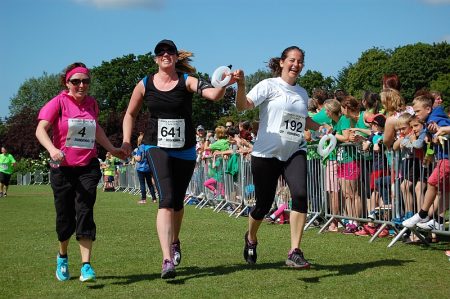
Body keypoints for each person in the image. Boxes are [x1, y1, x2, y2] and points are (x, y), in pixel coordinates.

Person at [121, 39, 238, 279]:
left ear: (176, 57)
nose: (165, 55)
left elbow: (214, 95)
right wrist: (126, 141)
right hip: (156, 146)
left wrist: (226, 81)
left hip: (184, 149)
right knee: (166, 199)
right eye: (160, 52)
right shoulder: (144, 84)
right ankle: (166, 260)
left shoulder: (187, 81)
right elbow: (130, 114)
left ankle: (175, 241)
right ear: (156, 59)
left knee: (177, 202)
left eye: (170, 52)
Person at [35, 62, 125, 282]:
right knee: (65, 216)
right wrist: (53, 149)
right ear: (67, 83)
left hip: (87, 166)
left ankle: (86, 265)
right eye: (76, 81)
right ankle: (62, 257)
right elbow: (40, 130)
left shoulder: (92, 104)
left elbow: (96, 130)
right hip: (62, 169)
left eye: (85, 81)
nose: (81, 85)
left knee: (85, 211)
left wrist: (112, 148)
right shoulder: (58, 103)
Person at [235, 45, 321, 269]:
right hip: (266, 154)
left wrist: (323, 127)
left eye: (300, 61)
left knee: (300, 195)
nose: (296, 65)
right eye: (292, 60)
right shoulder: (269, 85)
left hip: (294, 151)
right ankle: (251, 237)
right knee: (263, 205)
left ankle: (294, 251)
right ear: (282, 62)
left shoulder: (302, 93)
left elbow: (303, 119)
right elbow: (242, 106)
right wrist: (241, 85)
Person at [402, 94, 450, 230]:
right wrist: (432, 136)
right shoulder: (434, 118)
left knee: (431, 183)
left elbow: (443, 129)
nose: (415, 114)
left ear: (428, 109)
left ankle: (422, 214)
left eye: (417, 111)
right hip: (444, 157)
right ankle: (439, 222)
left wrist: (438, 132)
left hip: (446, 159)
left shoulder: (434, 119)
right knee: (445, 190)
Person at [134, 133, 158, 204]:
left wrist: (134, 155)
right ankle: (154, 199)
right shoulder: (149, 147)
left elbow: (138, 159)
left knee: (142, 184)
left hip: (141, 168)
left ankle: (143, 199)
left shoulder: (140, 147)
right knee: (150, 184)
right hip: (148, 168)